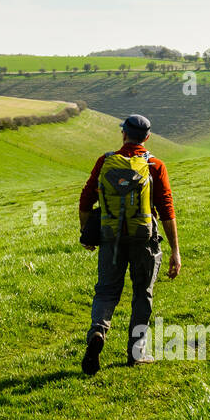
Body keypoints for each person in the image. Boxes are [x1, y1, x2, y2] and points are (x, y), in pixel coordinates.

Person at [78, 113, 181, 372]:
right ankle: (136, 352)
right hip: (143, 239)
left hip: (110, 237)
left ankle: (97, 332)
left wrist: (87, 234)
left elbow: (86, 199)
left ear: (123, 134)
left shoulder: (105, 161)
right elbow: (166, 210)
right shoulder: (155, 165)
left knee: (106, 292)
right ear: (147, 138)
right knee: (142, 294)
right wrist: (175, 251)